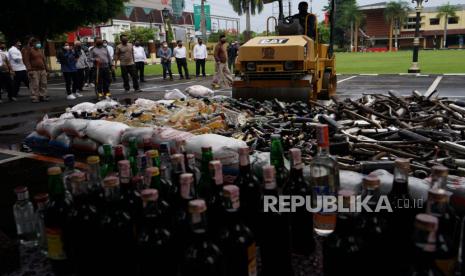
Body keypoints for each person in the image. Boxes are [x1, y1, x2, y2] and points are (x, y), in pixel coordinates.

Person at [22, 37, 49, 103]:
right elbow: (26, 60)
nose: (38, 44)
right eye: (37, 43)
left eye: (39, 43)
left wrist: (47, 69)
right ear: (33, 44)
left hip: (42, 70)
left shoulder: (40, 50)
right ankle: (34, 97)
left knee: (43, 83)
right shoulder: (29, 50)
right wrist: (29, 70)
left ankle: (42, 96)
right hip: (33, 70)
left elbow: (44, 60)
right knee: (35, 84)